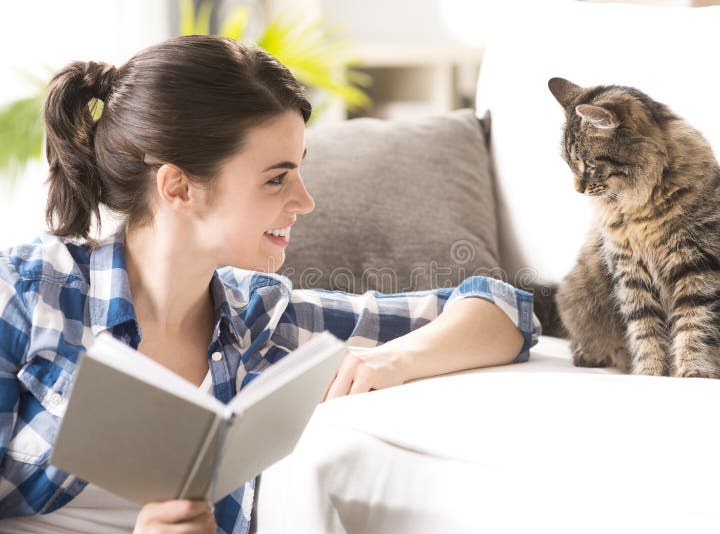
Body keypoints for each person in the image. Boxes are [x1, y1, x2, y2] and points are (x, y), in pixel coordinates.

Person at [0, 35, 538, 534]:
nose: (305, 201)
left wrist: (390, 361)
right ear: (178, 187)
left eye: (299, 171)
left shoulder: (261, 317)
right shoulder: (28, 296)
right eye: (276, 177)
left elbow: (504, 311)